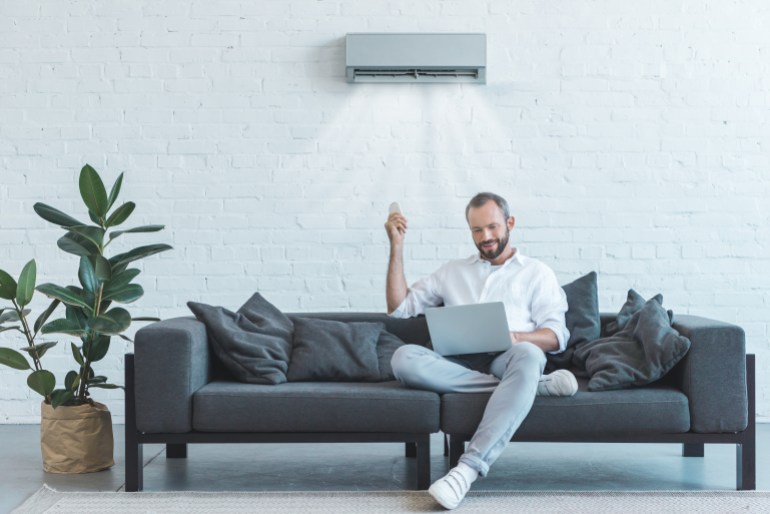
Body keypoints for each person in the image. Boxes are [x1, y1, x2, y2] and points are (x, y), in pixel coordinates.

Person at [384, 192, 578, 510]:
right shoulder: (452, 271)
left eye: (492, 227)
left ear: (509, 223)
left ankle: (466, 470)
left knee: (530, 355)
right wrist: (397, 245)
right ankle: (529, 388)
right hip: (456, 361)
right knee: (403, 358)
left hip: (510, 358)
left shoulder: (536, 273)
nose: (485, 237)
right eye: (476, 230)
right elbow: (398, 307)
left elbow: (556, 335)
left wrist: (516, 337)